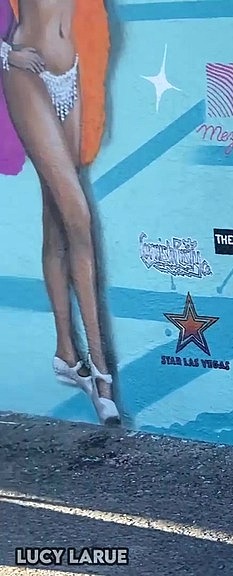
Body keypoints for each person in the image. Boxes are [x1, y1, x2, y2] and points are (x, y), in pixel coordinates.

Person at [1, 0, 120, 426]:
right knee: (78, 217)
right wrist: (5, 53)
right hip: (27, 75)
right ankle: (102, 374)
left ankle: (67, 354)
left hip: (71, 70)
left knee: (57, 223)